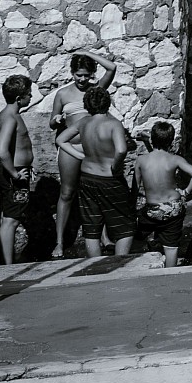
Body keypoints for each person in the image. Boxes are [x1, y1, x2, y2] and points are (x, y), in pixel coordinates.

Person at [40, 52, 115, 255]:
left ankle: (105, 236)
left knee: (97, 190)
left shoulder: (96, 90)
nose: (82, 79)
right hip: (70, 148)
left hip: (93, 148)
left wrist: (86, 53)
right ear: (72, 73)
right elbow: (51, 121)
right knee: (67, 193)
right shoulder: (63, 94)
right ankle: (59, 243)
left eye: (86, 75)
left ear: (91, 74)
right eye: (78, 74)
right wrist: (56, 120)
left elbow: (112, 68)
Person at [58, 85, 136, 257]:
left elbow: (61, 139)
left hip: (87, 178)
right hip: (109, 179)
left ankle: (96, 266)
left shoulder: (83, 122)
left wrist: (80, 156)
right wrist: (116, 166)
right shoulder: (113, 124)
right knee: (125, 226)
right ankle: (119, 264)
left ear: (87, 105)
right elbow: (122, 150)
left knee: (91, 227)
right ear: (107, 103)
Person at [131, 119, 192, 266]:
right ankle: (170, 274)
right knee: (171, 246)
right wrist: (185, 192)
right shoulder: (174, 159)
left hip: (153, 209)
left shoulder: (141, 160)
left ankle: (150, 246)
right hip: (173, 207)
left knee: (138, 235)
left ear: (152, 139)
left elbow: (135, 189)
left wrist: (132, 208)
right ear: (171, 141)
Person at [0, 73, 35, 264]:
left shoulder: (7, 114)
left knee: (11, 216)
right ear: (19, 98)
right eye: (29, 94)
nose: (31, 97)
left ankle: (11, 260)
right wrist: (15, 174)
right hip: (14, 173)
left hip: (14, 171)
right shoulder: (10, 118)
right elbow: (1, 150)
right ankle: (8, 266)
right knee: (11, 220)